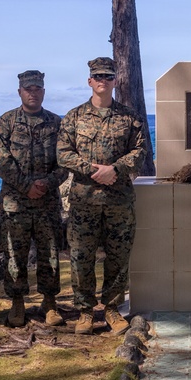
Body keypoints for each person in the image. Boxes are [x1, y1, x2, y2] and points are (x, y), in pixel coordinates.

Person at [57, 57, 147, 336]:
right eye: (98, 76)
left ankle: (111, 308)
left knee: (118, 257)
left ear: (115, 81)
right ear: (89, 81)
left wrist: (115, 169)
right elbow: (63, 154)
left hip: (118, 200)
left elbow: (140, 151)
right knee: (81, 257)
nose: (103, 81)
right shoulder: (74, 117)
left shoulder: (129, 117)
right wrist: (93, 170)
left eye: (108, 76)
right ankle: (85, 311)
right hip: (84, 200)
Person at [0, 70, 66, 328]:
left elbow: (65, 161)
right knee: (14, 255)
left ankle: (50, 302)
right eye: (28, 89)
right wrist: (26, 186)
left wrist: (47, 183)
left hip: (47, 201)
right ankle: (17, 303)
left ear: (43, 92)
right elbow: (2, 161)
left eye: (37, 89)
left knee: (50, 254)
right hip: (16, 203)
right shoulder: (6, 122)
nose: (32, 93)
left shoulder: (56, 123)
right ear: (20, 92)